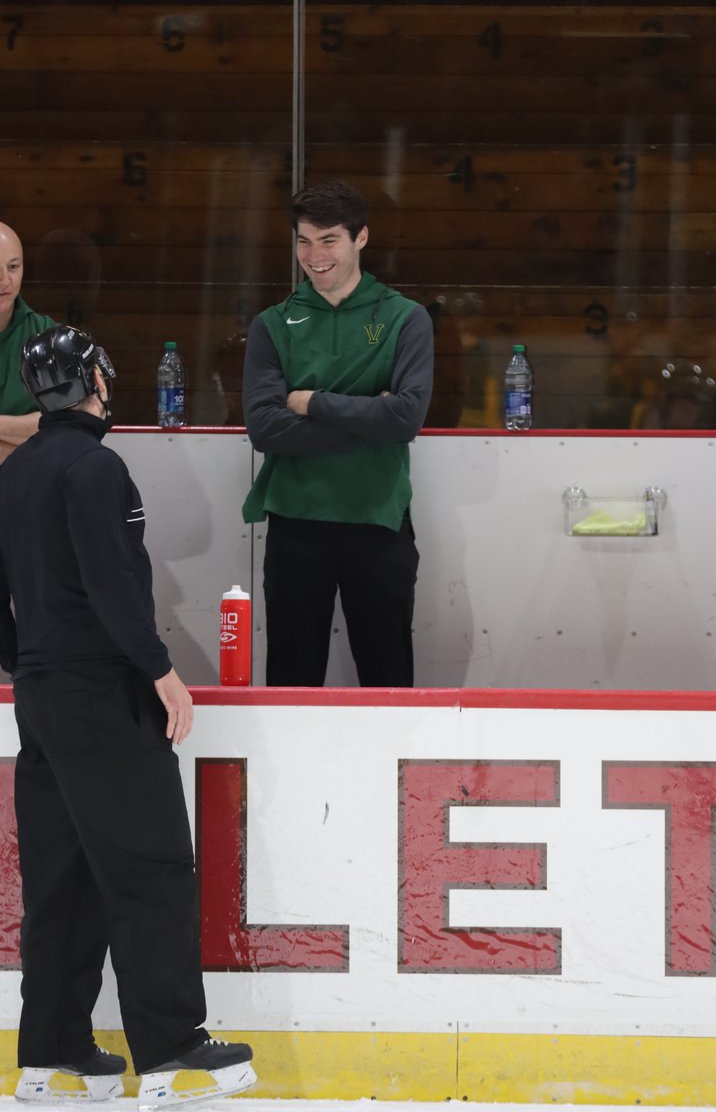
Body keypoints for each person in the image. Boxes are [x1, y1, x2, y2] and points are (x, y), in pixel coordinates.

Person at [0, 326, 255, 1108]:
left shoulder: (13, 474)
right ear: (96, 383)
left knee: (64, 875)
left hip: (42, 698)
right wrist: (160, 672)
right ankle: (174, 1047)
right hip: (105, 692)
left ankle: (52, 1051)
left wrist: (24, 666)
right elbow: (114, 587)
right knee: (150, 867)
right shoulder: (97, 467)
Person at [242, 180, 434, 686]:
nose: (314, 255)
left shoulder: (403, 319)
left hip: (378, 520)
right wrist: (371, 419)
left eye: (328, 240)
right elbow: (264, 427)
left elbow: (406, 418)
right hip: (295, 524)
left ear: (360, 238)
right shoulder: (273, 324)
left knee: (387, 676)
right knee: (291, 677)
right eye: (303, 241)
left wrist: (311, 403)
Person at [0, 222, 55, 462]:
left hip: (29, 487)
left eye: (13, 267)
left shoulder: (47, 335)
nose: (4, 280)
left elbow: (65, 423)